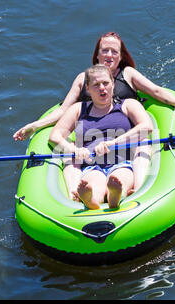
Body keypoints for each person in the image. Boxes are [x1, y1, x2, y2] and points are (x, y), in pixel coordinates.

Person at [14, 31, 175, 198]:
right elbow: (63, 110)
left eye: (114, 51)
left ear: (121, 56)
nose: (109, 55)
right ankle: (77, 194)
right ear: (97, 55)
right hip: (92, 137)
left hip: (124, 136)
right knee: (70, 156)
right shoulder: (83, 78)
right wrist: (35, 125)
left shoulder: (127, 74)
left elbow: (155, 91)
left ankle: (139, 190)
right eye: (105, 50)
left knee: (143, 143)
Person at [49, 65, 153, 209]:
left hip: (122, 161)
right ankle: (91, 201)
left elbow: (146, 127)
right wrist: (73, 150)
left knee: (119, 178)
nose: (102, 88)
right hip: (91, 165)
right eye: (96, 85)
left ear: (113, 84)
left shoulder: (127, 105)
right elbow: (55, 136)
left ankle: (115, 196)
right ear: (88, 88)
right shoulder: (78, 109)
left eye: (105, 83)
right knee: (93, 184)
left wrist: (113, 143)